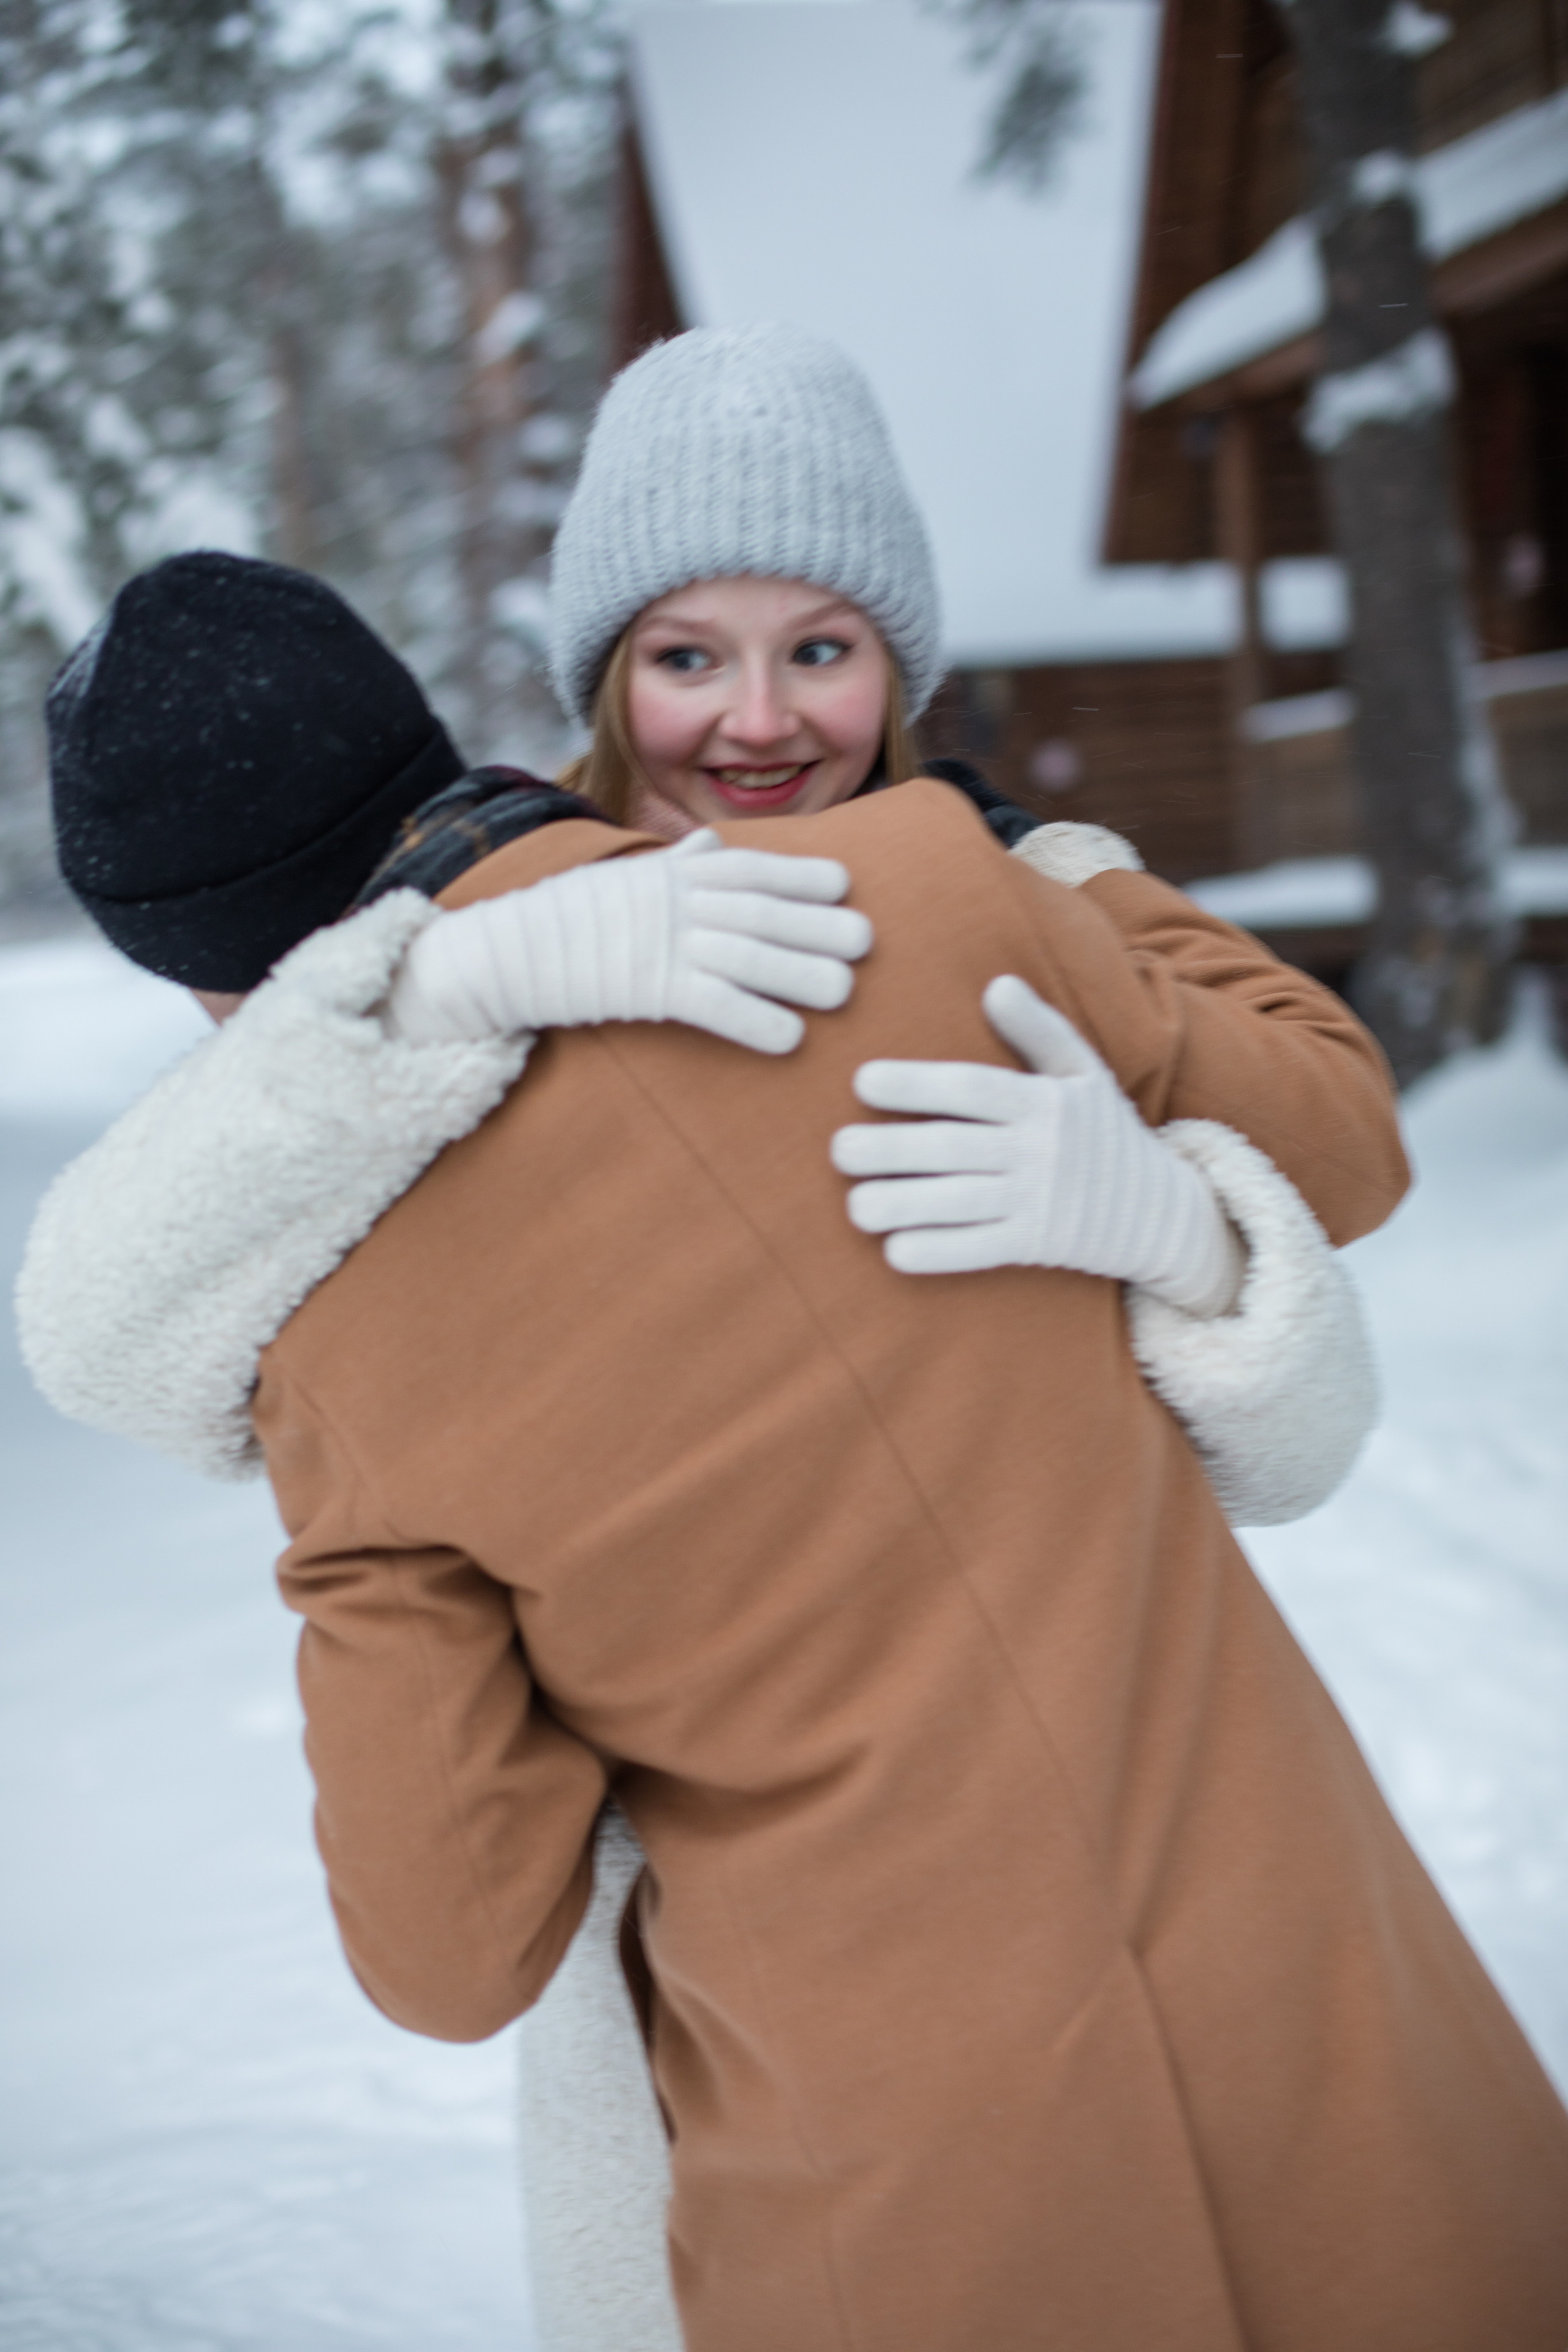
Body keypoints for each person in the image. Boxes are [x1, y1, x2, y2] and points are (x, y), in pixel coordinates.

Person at [18, 328, 1567, 2347]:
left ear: (215, 988)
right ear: (562, 696)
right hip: (1289, 1960)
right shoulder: (946, 897)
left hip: (882, 2135)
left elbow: (452, 1951)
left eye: (820, 653)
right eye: (689, 659)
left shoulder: (325, 1326)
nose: (756, 721)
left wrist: (1166, 1215)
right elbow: (1335, 1121)